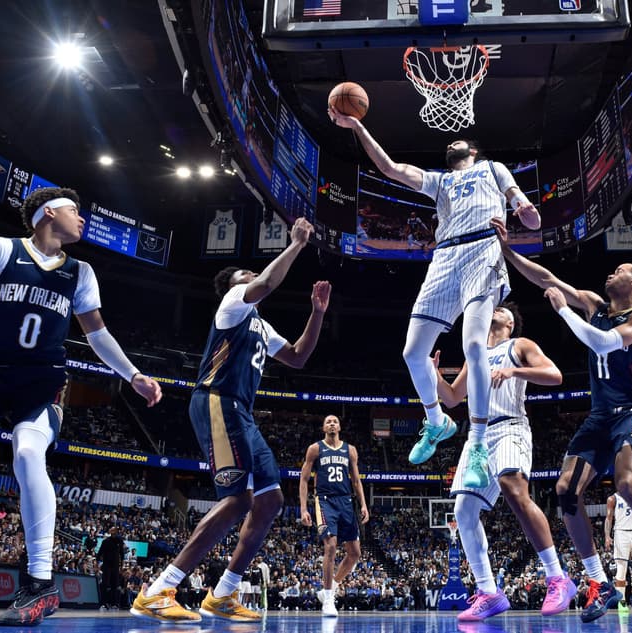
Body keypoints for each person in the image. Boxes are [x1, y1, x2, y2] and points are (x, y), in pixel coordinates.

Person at [0, 187, 163, 626]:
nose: (83, 219)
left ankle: (38, 585)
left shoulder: (81, 272)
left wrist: (133, 375)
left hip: (41, 383)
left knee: (27, 451)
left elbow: (97, 335)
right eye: (76, 211)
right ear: (48, 213)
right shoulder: (0, 250)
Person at [131, 217, 330, 623]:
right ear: (235, 286)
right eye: (248, 274)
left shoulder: (260, 323)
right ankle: (159, 589)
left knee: (272, 500)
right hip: (217, 401)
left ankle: (222, 594)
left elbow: (297, 357)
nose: (254, 276)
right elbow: (267, 283)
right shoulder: (234, 303)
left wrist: (317, 313)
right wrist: (294, 245)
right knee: (238, 499)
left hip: (242, 411)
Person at [330, 110, 541, 490]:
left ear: (473, 150)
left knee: (474, 345)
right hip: (444, 258)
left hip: (483, 249)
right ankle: (436, 420)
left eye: (459, 141)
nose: (451, 142)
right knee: (413, 353)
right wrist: (358, 126)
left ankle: (476, 444)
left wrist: (526, 212)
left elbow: (527, 212)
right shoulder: (440, 181)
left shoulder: (493, 169)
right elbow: (392, 168)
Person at [493, 222, 632, 622]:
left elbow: (601, 342)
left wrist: (563, 310)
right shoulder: (595, 305)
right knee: (565, 490)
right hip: (599, 417)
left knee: (628, 485)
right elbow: (546, 278)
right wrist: (508, 250)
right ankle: (598, 583)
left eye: (618, 270)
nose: (610, 273)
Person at [433, 302, 577, 620]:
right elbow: (453, 398)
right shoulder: (475, 354)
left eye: (501, 309)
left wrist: (514, 371)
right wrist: (433, 374)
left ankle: (558, 577)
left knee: (514, 489)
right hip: (478, 437)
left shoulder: (519, 345)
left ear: (510, 323)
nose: (494, 309)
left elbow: (554, 375)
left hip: (510, 425)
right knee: (463, 511)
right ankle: (489, 592)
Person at [299, 414, 370, 617]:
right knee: (330, 546)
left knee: (355, 553)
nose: (332, 423)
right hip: (325, 501)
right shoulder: (315, 449)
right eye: (328, 421)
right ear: (323, 427)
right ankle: (329, 600)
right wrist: (304, 508)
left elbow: (356, 481)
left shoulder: (350, 450)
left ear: (339, 427)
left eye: (335, 421)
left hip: (346, 501)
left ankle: (333, 585)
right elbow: (304, 480)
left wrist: (363, 504)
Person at [97, 526, 126, 609]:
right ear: (110, 531)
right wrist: (97, 564)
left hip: (115, 566)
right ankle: (103, 603)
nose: (113, 531)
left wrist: (121, 566)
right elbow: (99, 553)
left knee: (115, 585)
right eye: (112, 530)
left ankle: (114, 603)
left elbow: (122, 554)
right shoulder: (105, 541)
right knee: (105, 584)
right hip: (106, 566)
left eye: (115, 530)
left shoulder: (119, 541)